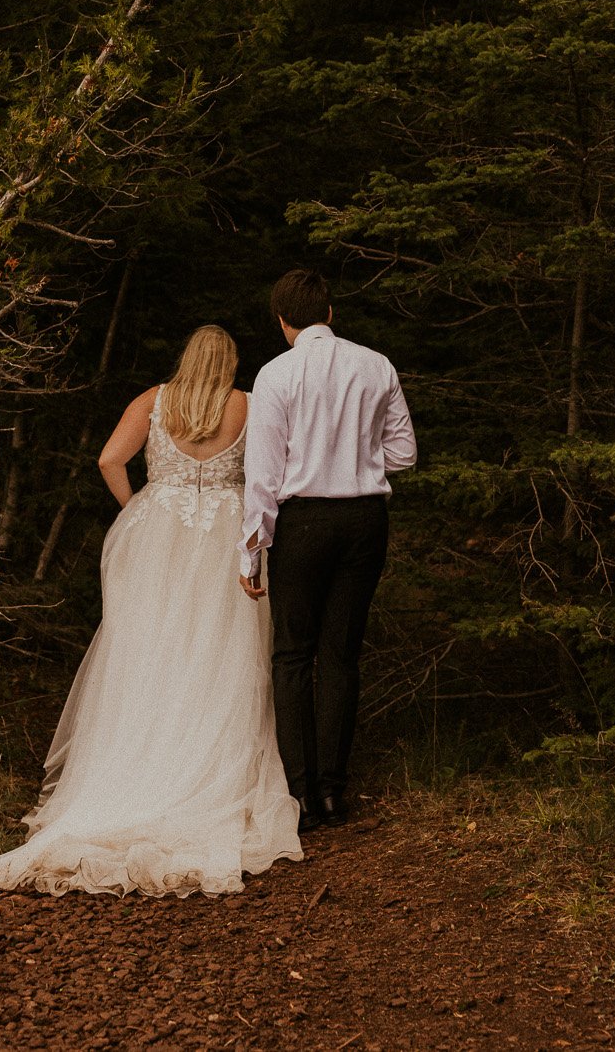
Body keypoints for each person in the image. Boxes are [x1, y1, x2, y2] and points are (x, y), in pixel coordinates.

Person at [0, 326, 301, 896]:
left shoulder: (154, 399)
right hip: (226, 534)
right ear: (232, 361)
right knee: (220, 655)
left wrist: (138, 504)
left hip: (156, 535)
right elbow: (274, 471)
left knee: (147, 651)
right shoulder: (247, 403)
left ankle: (130, 766)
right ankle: (205, 771)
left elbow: (109, 459)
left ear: (186, 357)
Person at [239, 270, 416, 832]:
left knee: (293, 654)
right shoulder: (377, 365)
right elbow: (405, 453)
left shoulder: (275, 374)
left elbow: (263, 474)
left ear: (282, 320)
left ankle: (301, 797)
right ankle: (335, 794)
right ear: (331, 313)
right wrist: (356, 463)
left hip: (304, 521)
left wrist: (251, 552)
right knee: (341, 654)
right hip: (365, 519)